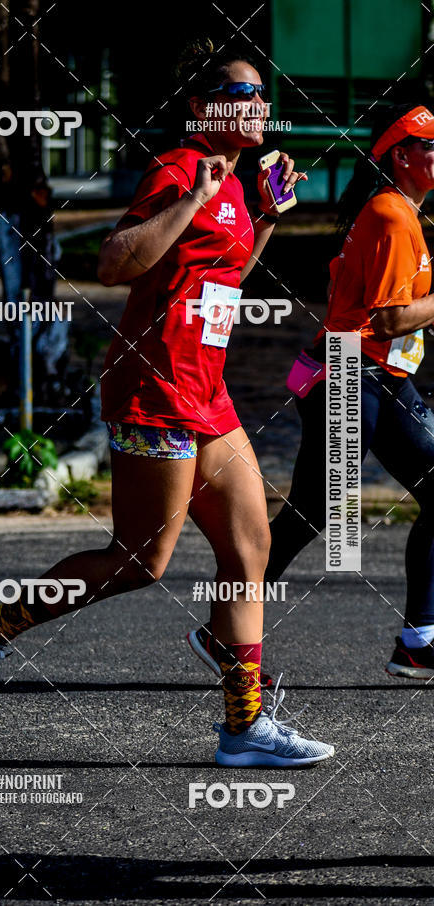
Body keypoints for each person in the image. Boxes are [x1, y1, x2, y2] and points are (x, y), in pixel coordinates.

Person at [0, 38, 334, 767]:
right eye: (242, 95)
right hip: (153, 390)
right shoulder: (182, 169)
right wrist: (193, 196)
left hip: (205, 393)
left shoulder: (237, 185)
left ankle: (244, 728)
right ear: (201, 108)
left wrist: (270, 215)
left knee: (250, 548)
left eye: (262, 98)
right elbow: (115, 260)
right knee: (139, 562)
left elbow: (221, 284)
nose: (258, 108)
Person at [190, 102, 434, 681]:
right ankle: (222, 635)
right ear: (401, 157)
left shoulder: (397, 212)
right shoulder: (392, 215)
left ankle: (419, 641)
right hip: (355, 378)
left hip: (372, 377)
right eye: (432, 146)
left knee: (317, 512)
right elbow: (396, 319)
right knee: (308, 515)